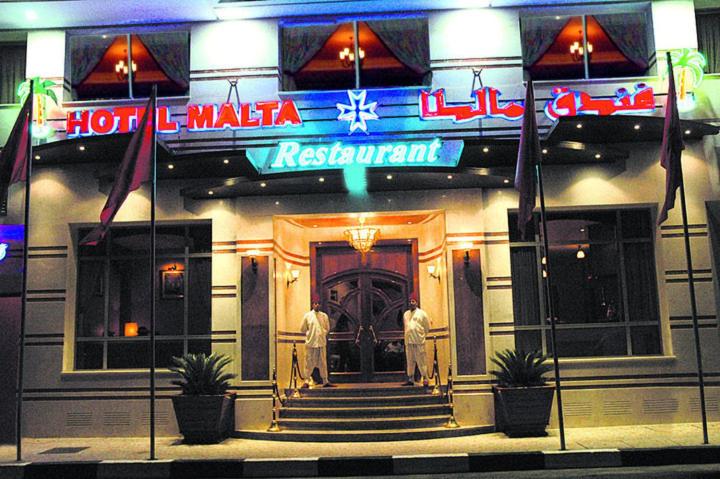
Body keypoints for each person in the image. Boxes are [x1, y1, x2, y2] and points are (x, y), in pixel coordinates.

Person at [300, 296, 335, 388]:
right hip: (311, 343)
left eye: (318, 303)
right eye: (315, 303)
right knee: (309, 362)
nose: (317, 305)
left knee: (323, 362)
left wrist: (322, 333)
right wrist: (310, 334)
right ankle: (307, 380)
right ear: (312, 304)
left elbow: (327, 328)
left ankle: (325, 381)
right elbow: (303, 329)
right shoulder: (307, 316)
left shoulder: (324, 316)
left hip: (321, 342)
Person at [403, 296, 431, 387]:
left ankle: (425, 378)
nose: (411, 303)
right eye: (410, 301)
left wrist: (421, 336)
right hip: (408, 341)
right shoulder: (406, 314)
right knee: (410, 361)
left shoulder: (422, 313)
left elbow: (427, 327)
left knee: (421, 360)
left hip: (418, 341)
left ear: (417, 303)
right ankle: (410, 379)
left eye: (413, 301)